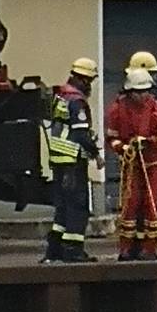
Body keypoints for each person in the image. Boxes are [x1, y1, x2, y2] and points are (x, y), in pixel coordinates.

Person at [109, 67, 157, 260]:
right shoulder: (117, 110)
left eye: (146, 90)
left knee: (151, 206)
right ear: (129, 91)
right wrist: (125, 148)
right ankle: (126, 249)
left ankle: (149, 249)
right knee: (130, 205)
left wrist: (149, 142)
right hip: (131, 165)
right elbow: (111, 139)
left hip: (155, 164)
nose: (142, 95)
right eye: (138, 91)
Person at [42, 57, 98, 262]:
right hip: (72, 162)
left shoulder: (61, 96)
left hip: (58, 160)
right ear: (83, 80)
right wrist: (96, 153)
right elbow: (81, 134)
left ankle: (54, 250)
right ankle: (73, 251)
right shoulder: (77, 102)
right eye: (89, 81)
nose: (90, 85)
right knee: (77, 206)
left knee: (63, 208)